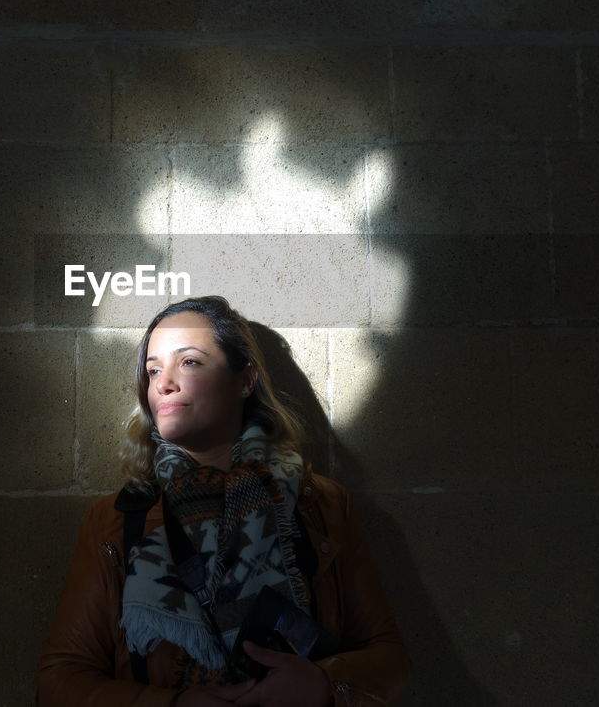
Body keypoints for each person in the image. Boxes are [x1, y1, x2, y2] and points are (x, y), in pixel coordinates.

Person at [36, 296, 410, 706]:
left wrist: (323, 684)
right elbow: (60, 681)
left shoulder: (320, 503)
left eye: (190, 362)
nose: (164, 383)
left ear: (245, 379)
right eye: (154, 369)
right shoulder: (114, 518)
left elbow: (388, 659)